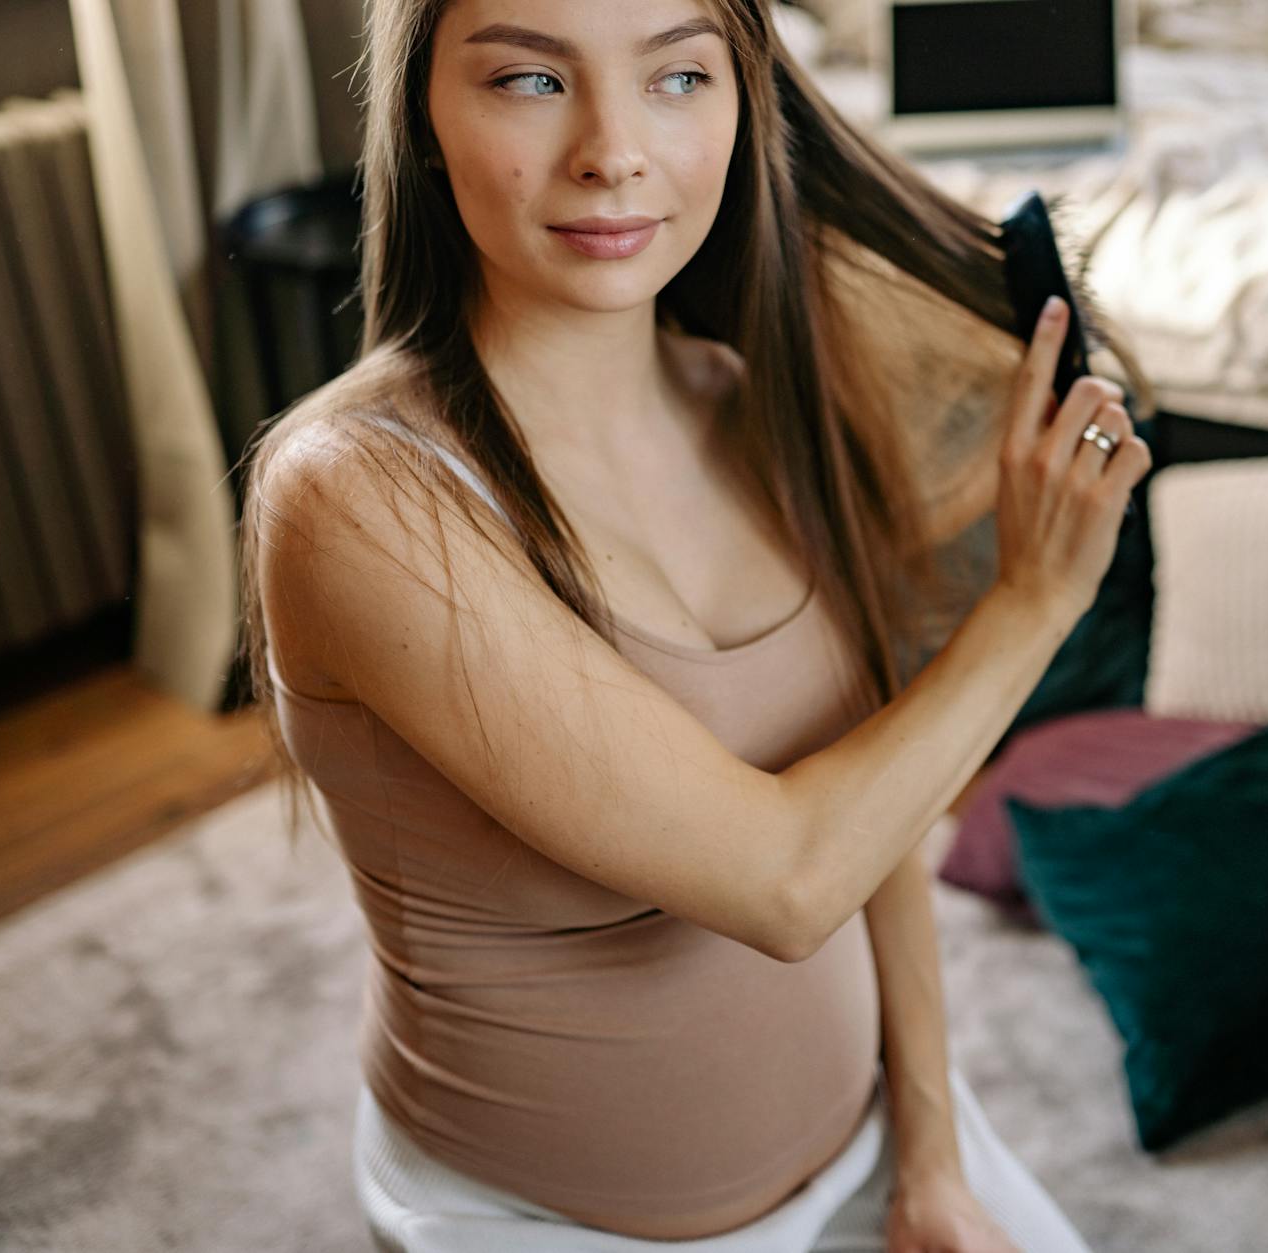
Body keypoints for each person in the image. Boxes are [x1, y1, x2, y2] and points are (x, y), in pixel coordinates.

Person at [237, 0, 1153, 1248]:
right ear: (421, 119)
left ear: (741, 102)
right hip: (542, 1223)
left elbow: (874, 815)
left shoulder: (747, 399)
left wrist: (933, 1156)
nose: (613, 152)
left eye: (676, 78)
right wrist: (1034, 601)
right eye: (528, 81)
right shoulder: (356, 497)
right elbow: (790, 879)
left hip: (878, 1152)